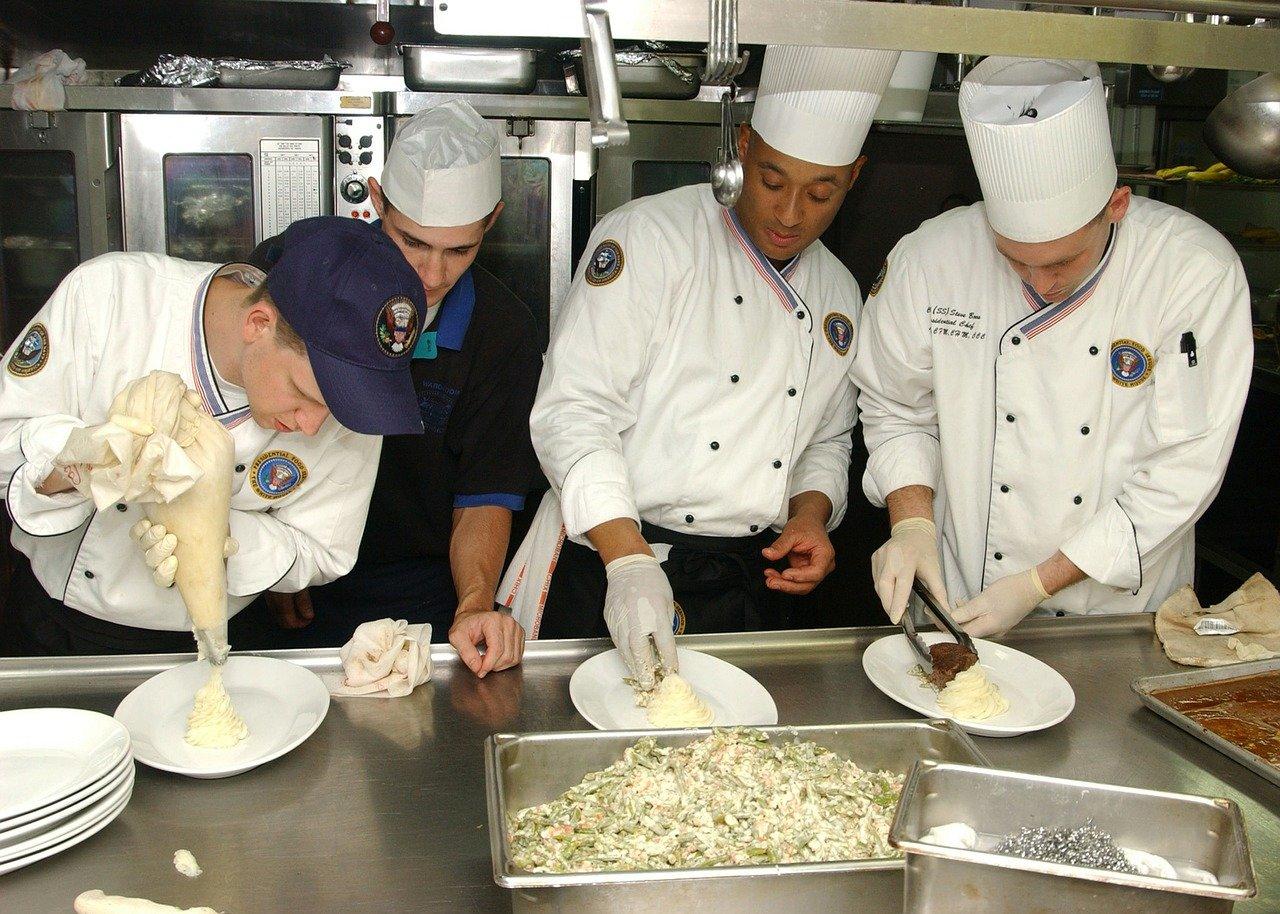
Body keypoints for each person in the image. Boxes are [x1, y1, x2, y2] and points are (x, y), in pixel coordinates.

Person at [500, 45, 901, 686]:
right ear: (743, 147)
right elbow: (574, 411)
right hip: (615, 558)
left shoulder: (838, 292)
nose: (791, 213)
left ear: (854, 178)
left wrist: (808, 516)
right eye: (772, 181)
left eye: (820, 193)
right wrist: (628, 563)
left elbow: (824, 439)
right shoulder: (648, 239)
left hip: (749, 581)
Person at [852, 57, 1252, 637]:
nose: (1039, 284)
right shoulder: (930, 259)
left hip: (1120, 617)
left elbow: (1182, 470)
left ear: (1116, 205)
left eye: (1062, 261)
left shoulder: (1193, 271)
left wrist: (1037, 583)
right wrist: (911, 524)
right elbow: (896, 408)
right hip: (961, 595)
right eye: (1015, 259)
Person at [0, 217, 427, 655]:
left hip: (218, 643)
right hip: (55, 625)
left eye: (337, 409)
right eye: (302, 394)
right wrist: (84, 460)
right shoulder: (111, 296)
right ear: (258, 323)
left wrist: (217, 536)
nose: (314, 425)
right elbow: (5, 440)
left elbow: (323, 551)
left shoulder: (351, 405)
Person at [248, 98, 538, 677]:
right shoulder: (296, 271)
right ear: (376, 201)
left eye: (459, 250)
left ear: (492, 220)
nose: (432, 277)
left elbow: (485, 493)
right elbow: (246, 418)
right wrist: (266, 563)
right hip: (283, 566)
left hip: (416, 590)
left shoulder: (502, 332)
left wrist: (476, 601)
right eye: (412, 242)